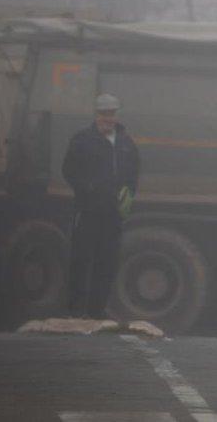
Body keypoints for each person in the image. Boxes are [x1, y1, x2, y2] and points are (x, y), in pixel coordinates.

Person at [62, 93, 139, 319]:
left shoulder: (126, 143)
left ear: (117, 115)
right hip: (87, 211)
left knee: (107, 262)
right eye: (104, 113)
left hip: (113, 214)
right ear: (96, 115)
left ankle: (97, 311)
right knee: (81, 260)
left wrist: (128, 196)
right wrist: (88, 189)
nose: (108, 118)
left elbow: (134, 172)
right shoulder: (82, 140)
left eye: (111, 113)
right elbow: (69, 171)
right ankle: (75, 311)